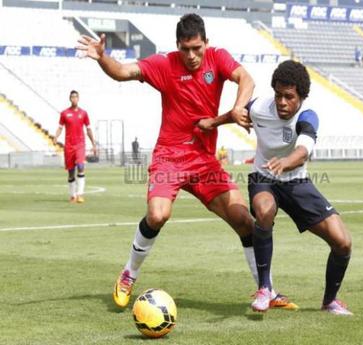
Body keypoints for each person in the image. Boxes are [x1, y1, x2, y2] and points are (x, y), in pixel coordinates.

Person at [76, 13, 296, 310]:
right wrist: (103, 57)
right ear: (177, 45)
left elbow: (247, 78)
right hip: (170, 156)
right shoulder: (164, 64)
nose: (191, 56)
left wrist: (237, 108)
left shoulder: (217, 58)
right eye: (185, 49)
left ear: (206, 43)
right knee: (157, 215)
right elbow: (122, 72)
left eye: (197, 48)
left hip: (205, 162)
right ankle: (129, 273)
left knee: (245, 222)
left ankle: (266, 289)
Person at [241, 60, 353, 315]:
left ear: (301, 97)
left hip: (296, 182)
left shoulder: (308, 116)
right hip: (264, 178)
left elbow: (303, 151)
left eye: (289, 97)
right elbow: (239, 110)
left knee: (343, 242)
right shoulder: (260, 106)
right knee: (264, 211)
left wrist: (286, 162)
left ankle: (330, 301)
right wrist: (219, 120)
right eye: (278, 95)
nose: (282, 102)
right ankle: (264, 288)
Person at [53, 90, 97, 203]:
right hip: (69, 146)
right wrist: (56, 136)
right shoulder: (64, 113)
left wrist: (93, 144)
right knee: (71, 172)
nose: (74, 99)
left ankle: (80, 194)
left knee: (81, 166)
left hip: (80, 144)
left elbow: (88, 129)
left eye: (76, 97)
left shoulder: (84, 113)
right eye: (72, 97)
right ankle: (72, 195)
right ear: (70, 99)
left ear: (78, 98)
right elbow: (60, 127)